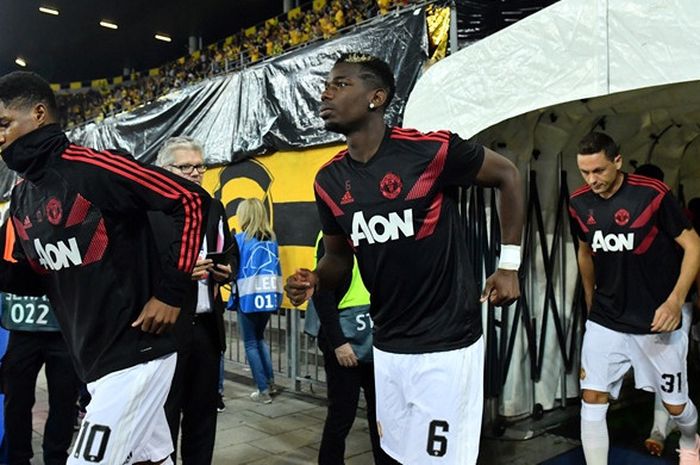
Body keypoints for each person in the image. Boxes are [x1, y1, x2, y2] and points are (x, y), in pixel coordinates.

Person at [285, 52, 523, 465]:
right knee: (396, 456)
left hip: (446, 345)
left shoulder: (429, 151)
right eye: (327, 84)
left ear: (376, 97)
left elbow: (509, 176)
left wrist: (509, 265)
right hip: (388, 346)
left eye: (341, 84)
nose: (326, 92)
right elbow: (339, 259)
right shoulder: (329, 179)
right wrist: (315, 280)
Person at [0, 71, 209, 465]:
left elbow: (190, 199)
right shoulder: (22, 192)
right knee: (151, 459)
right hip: (92, 359)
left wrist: (170, 293)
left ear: (39, 113)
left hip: (136, 351)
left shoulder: (92, 167)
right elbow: (38, 274)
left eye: (4, 123)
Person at [569, 132, 700, 465]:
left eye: (598, 170)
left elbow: (694, 245)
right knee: (593, 398)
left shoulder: (651, 195)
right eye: (584, 172)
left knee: (676, 406)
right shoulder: (579, 203)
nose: (591, 180)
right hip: (607, 319)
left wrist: (675, 301)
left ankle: (689, 438)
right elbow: (584, 252)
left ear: (617, 161)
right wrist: (590, 301)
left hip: (655, 319)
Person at [153, 137, 234, 465]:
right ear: (164, 170)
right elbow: (137, 268)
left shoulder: (214, 207)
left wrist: (227, 271)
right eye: (186, 167)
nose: (196, 173)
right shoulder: (149, 210)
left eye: (200, 166)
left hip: (206, 328)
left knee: (203, 415)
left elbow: (229, 250)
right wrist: (179, 274)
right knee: (164, 417)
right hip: (165, 329)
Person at [311, 232, 399, 465]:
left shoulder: (381, 230)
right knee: (341, 416)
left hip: (377, 342)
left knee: (382, 416)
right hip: (346, 343)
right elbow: (323, 294)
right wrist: (339, 343)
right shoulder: (332, 235)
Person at [1, 222, 80, 465]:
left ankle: (56, 458)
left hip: (65, 328)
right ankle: (18, 457)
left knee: (65, 400)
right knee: (16, 399)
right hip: (22, 325)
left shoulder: (76, 218)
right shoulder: (13, 222)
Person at [233, 198, 281, 404]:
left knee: (251, 343)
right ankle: (270, 382)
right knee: (260, 339)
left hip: (248, 297)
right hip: (268, 295)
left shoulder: (240, 239)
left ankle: (262, 390)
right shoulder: (271, 238)